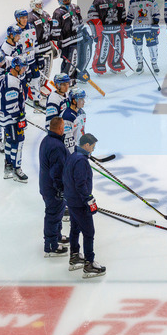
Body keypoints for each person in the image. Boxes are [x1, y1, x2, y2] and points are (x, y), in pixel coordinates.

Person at [65, 133, 105, 277]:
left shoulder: (73, 155)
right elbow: (81, 183)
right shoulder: (81, 161)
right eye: (92, 147)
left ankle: (75, 256)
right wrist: (89, 200)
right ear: (86, 145)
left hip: (72, 201)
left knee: (75, 228)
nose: (93, 150)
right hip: (80, 203)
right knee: (89, 232)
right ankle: (89, 263)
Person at [39, 117, 69, 257]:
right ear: (60, 129)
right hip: (52, 188)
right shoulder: (56, 146)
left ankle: (56, 236)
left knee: (58, 212)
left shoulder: (47, 140)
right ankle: (51, 246)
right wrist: (61, 189)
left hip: (47, 185)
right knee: (53, 214)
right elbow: (57, 172)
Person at [0, 56, 29, 182]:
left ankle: (8, 166)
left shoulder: (9, 77)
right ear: (16, 67)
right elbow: (11, 105)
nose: (24, 69)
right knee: (18, 142)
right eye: (22, 67)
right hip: (12, 120)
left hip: (7, 119)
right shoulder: (12, 82)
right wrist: (20, 117)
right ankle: (17, 169)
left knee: (9, 142)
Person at [87, 0, 127, 75]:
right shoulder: (98, 0)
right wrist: (97, 29)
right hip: (104, 31)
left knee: (118, 48)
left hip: (117, 29)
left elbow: (123, 14)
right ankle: (99, 66)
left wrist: (125, 26)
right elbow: (92, 14)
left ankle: (115, 64)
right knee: (103, 49)